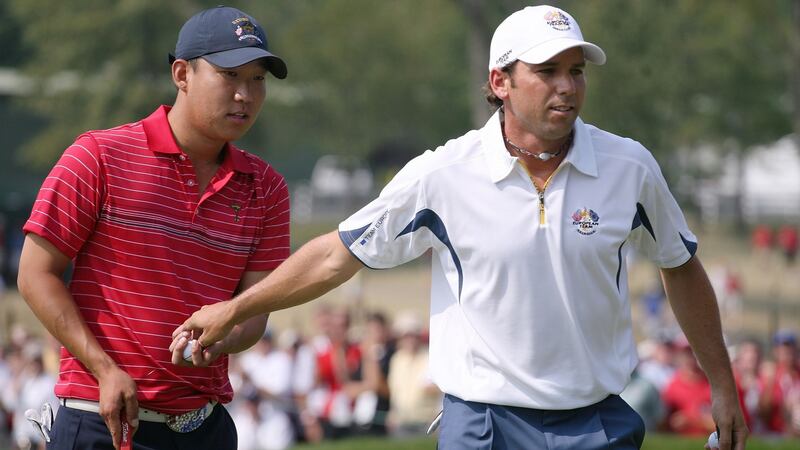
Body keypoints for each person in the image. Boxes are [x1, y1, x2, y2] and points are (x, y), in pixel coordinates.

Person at [176, 5, 748, 449]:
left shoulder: (630, 167)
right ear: (500, 81)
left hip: (598, 421)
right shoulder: (442, 174)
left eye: (575, 71)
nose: (568, 87)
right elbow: (336, 255)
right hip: (484, 425)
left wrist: (722, 384)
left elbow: (680, 263)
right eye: (546, 71)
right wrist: (235, 310)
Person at [17, 5, 290, 450]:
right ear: (182, 74)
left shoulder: (268, 188)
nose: (246, 94)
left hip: (206, 428)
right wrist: (104, 369)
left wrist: (222, 338)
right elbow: (34, 274)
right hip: (101, 421)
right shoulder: (98, 156)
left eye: (258, 79)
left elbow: (253, 314)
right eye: (230, 75)